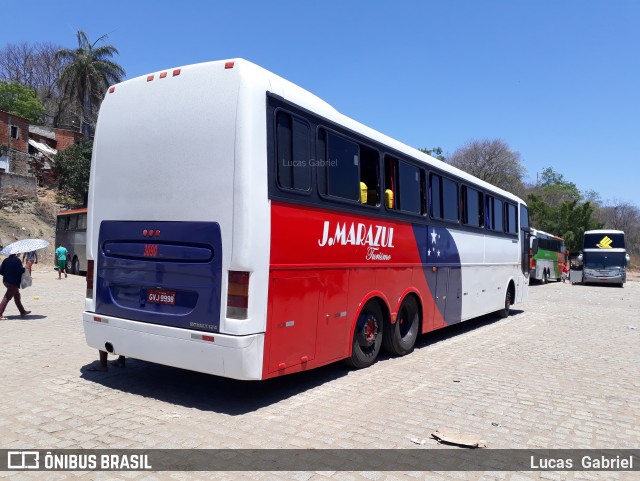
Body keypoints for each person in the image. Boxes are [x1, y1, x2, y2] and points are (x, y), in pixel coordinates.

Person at [0, 253, 31, 320]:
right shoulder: (17, 260)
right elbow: (20, 271)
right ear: (16, 254)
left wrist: (8, 274)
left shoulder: (6, 260)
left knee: (17, 296)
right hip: (13, 282)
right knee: (7, 297)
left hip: (6, 281)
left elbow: (1, 271)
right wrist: (26, 267)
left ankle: (22, 311)